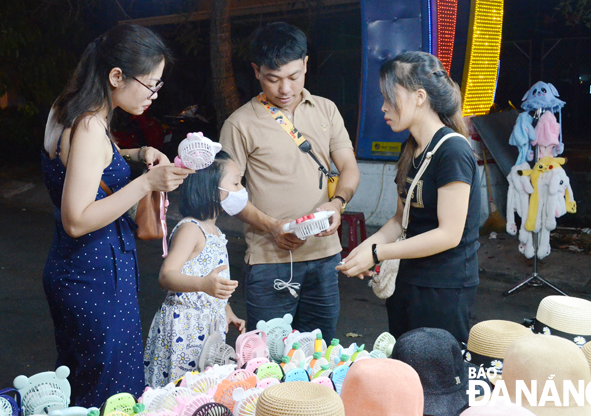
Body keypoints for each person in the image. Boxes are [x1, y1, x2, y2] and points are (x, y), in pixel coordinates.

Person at [41, 24, 192, 406]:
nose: (154, 96)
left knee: (79, 384)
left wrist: (138, 153)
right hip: (96, 275)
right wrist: (146, 183)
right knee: (112, 394)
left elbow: (85, 164)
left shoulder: (66, 108)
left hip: (70, 270)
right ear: (116, 76)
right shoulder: (91, 125)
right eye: (151, 85)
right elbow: (76, 220)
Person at [219, 22, 360, 342]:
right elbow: (226, 190)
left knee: (321, 350)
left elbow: (349, 168)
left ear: (306, 64)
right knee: (266, 357)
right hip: (270, 262)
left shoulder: (326, 110)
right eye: (273, 78)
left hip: (325, 257)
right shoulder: (240, 123)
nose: (285, 88)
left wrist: (338, 204)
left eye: (294, 77)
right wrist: (271, 227)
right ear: (256, 71)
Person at [337, 51, 481, 344]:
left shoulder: (453, 151)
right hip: (408, 281)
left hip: (444, 288)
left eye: (391, 97)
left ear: (419, 96)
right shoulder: (411, 148)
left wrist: (377, 254)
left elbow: (449, 235)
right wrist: (363, 250)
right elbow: (400, 219)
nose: (384, 107)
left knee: (434, 379)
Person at [144, 151, 246, 387]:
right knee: (180, 391)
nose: (241, 189)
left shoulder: (216, 232)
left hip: (207, 330)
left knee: (202, 390)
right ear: (210, 190)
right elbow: (166, 275)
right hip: (184, 330)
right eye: (235, 182)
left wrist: (225, 308)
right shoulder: (191, 229)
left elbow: (210, 279)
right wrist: (203, 285)